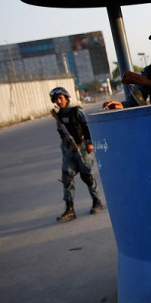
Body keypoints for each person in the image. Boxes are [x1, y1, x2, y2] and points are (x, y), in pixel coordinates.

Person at [50, 87, 103, 223]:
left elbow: (87, 126)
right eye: (56, 99)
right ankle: (70, 209)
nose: (58, 101)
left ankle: (97, 201)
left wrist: (90, 143)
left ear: (66, 98)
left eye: (60, 98)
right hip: (69, 150)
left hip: (83, 148)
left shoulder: (76, 111)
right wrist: (64, 153)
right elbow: (62, 136)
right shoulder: (59, 115)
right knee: (66, 177)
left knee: (87, 176)